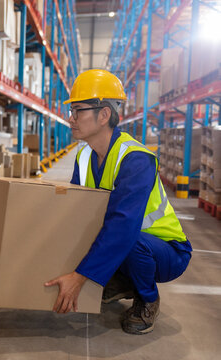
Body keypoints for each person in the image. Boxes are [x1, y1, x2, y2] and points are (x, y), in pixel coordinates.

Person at [44, 69, 192, 335]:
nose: (71, 118)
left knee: (128, 238)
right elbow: (76, 213)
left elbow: (123, 227)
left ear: (103, 115)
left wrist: (79, 278)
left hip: (164, 251)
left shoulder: (136, 159)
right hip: (129, 244)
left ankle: (147, 298)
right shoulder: (84, 157)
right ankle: (122, 278)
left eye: (78, 110)